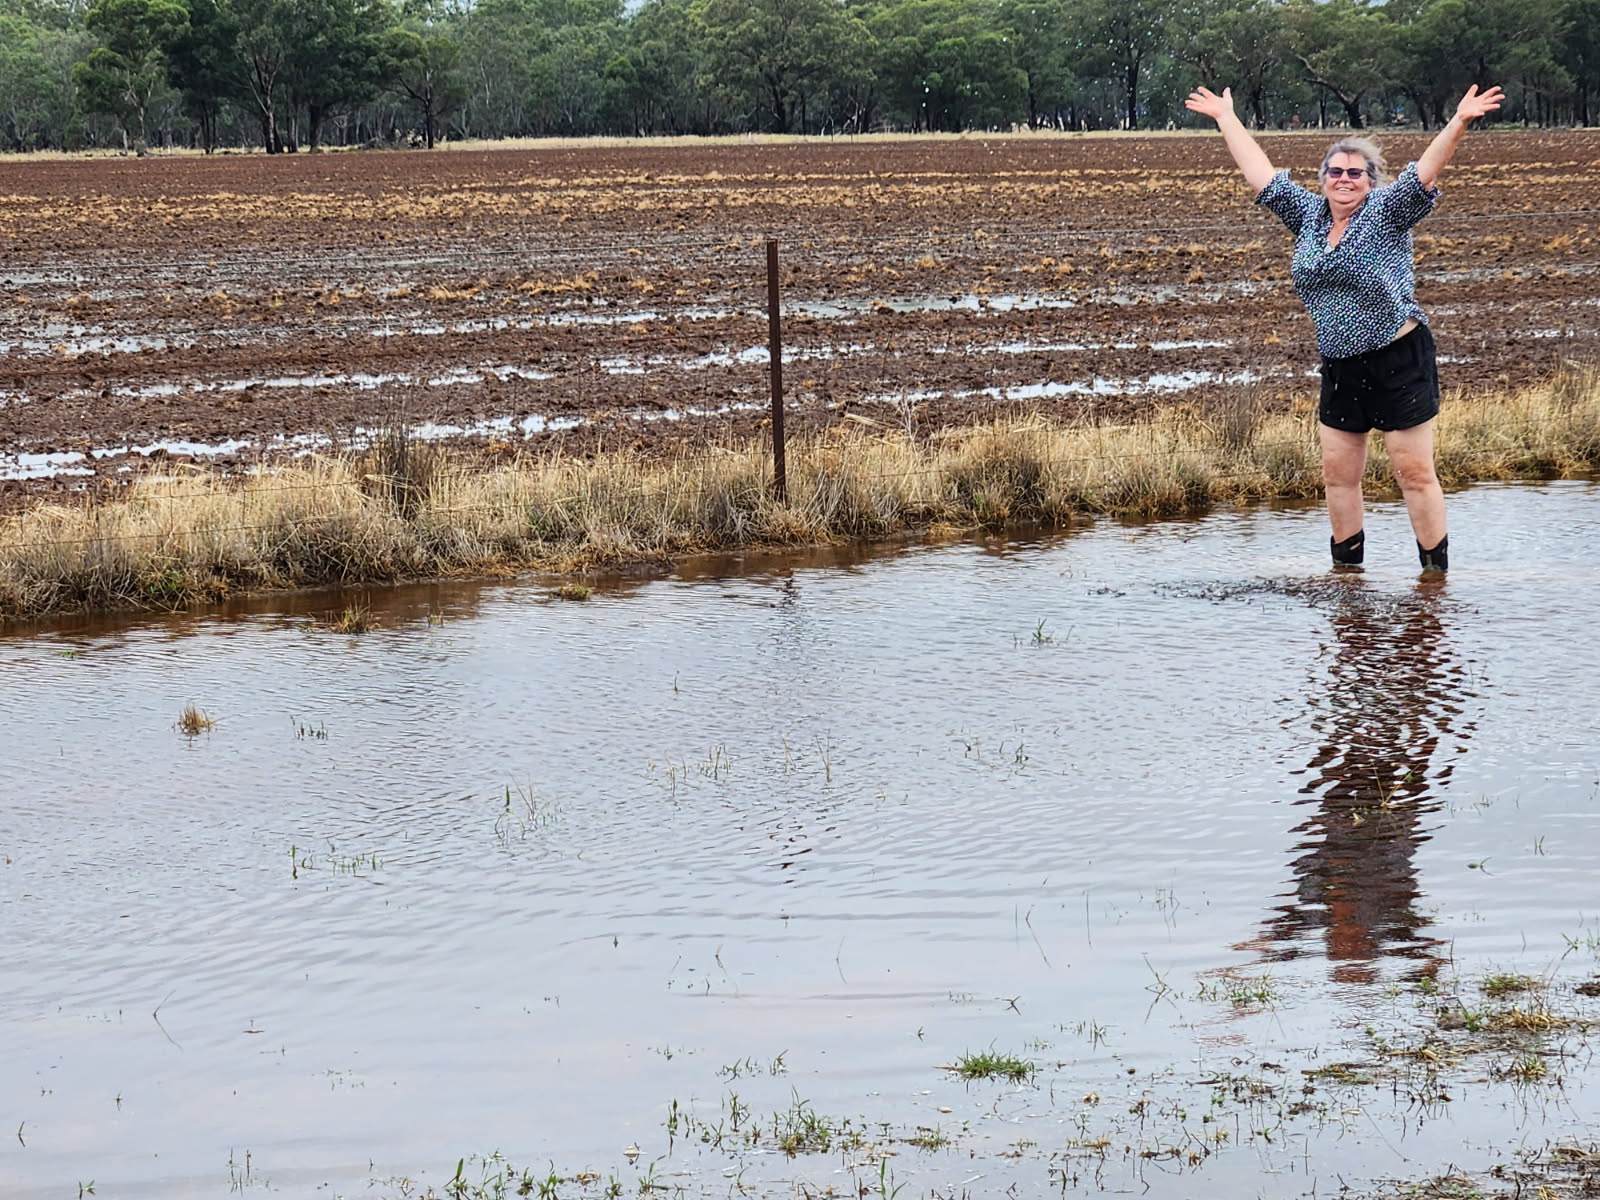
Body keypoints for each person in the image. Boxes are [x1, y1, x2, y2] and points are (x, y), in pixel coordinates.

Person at [1184, 84, 1503, 573]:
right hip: (1340, 364)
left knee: (1413, 474)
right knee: (1339, 477)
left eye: (1356, 172)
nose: (1345, 179)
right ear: (1324, 179)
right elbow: (1262, 177)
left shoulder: (1385, 212)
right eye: (1336, 172)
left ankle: (1434, 582)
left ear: (1371, 181)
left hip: (1398, 358)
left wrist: (1458, 120)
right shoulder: (1309, 216)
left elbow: (1424, 172)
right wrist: (1227, 117)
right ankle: (1347, 582)